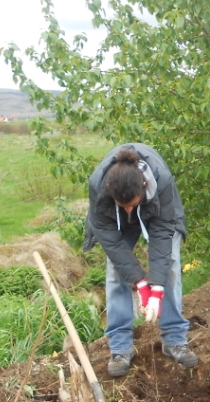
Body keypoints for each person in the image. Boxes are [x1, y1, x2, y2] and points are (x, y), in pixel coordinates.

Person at [84, 143, 198, 377]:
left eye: (131, 204)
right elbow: (112, 243)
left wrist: (155, 289)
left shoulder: (161, 180)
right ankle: (120, 348)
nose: (127, 210)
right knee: (116, 274)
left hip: (157, 214)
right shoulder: (98, 185)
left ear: (143, 186)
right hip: (113, 222)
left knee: (172, 267)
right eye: (122, 205)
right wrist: (140, 283)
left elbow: (163, 234)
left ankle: (174, 339)